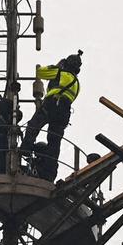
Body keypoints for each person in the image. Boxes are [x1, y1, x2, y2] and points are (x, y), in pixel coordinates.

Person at [20, 50, 82, 181]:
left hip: (52, 103)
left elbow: (40, 72)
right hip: (65, 111)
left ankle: (25, 149)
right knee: (54, 141)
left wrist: (58, 66)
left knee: (34, 125)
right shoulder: (77, 83)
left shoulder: (60, 72)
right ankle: (50, 170)